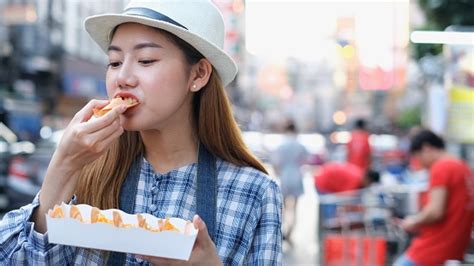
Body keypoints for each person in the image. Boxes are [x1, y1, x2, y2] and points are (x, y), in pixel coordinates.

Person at [0, 1, 282, 265]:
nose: (122, 77)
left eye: (146, 60)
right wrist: (63, 165)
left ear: (198, 75)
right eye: (114, 62)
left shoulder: (254, 192)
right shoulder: (88, 172)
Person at [394, 129, 474, 266]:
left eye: (417, 156)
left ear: (426, 148)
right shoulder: (464, 167)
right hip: (456, 246)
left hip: (434, 248)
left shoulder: (441, 167)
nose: (420, 163)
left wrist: (412, 222)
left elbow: (435, 211)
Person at [272, 121, 308, 246]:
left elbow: (276, 163)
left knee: (284, 208)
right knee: (295, 208)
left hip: (285, 177)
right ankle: (290, 232)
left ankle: (283, 231)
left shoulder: (281, 145)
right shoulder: (300, 145)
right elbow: (305, 160)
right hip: (297, 176)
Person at [314, 162, 380, 194]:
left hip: (322, 177)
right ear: (368, 179)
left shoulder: (359, 172)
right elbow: (345, 198)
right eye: (370, 184)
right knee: (328, 215)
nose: (368, 186)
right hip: (323, 183)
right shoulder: (356, 180)